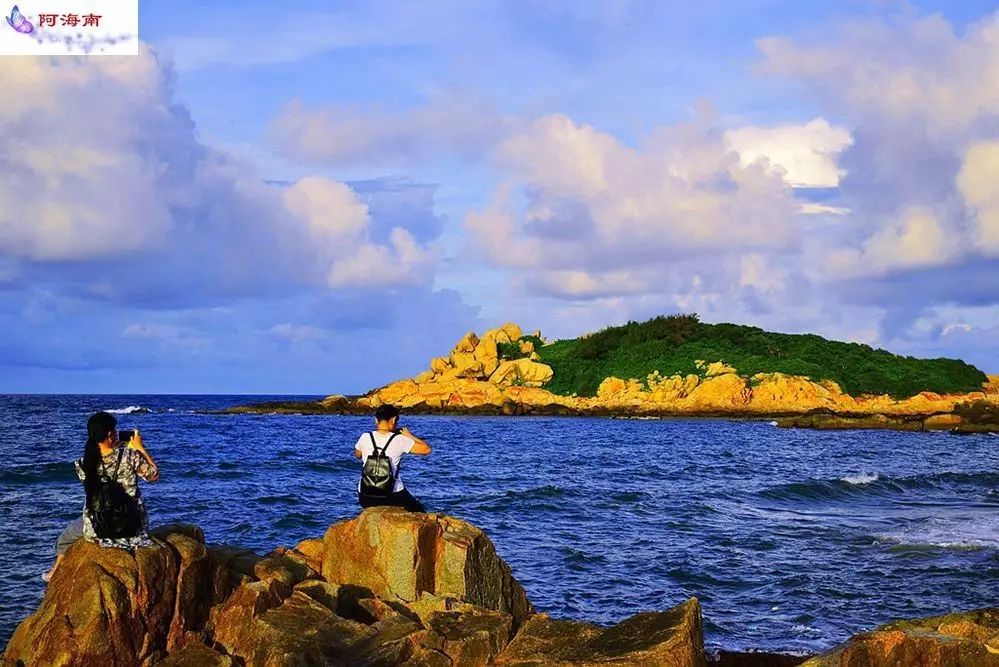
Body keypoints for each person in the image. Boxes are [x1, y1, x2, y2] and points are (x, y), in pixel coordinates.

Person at [42, 411, 159, 581]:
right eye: (115, 431)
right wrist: (140, 448)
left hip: (98, 528)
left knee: (65, 539)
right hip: (133, 527)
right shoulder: (130, 456)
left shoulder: (82, 464)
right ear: (110, 434)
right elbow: (154, 476)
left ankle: (54, 573)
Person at [354, 405, 431, 512]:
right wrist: (410, 436)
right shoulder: (400, 439)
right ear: (394, 420)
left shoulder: (365, 437)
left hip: (365, 497)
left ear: (376, 420)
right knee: (420, 511)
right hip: (391, 496)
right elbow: (427, 450)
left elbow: (357, 455)